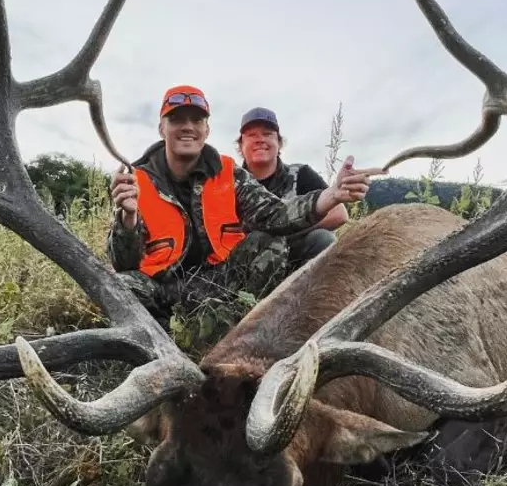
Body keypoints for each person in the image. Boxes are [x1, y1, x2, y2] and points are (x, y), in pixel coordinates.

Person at [107, 84, 370, 324]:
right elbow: (124, 263)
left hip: (223, 283)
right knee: (117, 286)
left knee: (270, 242)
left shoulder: (229, 173)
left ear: (206, 130)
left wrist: (332, 195)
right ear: (161, 128)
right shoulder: (135, 181)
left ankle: (242, 325)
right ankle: (164, 334)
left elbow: (276, 214)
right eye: (176, 119)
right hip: (164, 288)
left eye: (196, 119)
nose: (187, 126)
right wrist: (127, 218)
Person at [236, 106, 346, 268]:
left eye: (267, 134)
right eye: (251, 135)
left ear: (279, 143)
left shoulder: (300, 174)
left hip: (294, 256)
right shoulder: (229, 180)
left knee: (322, 239)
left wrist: (285, 229)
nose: (260, 139)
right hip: (245, 259)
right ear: (240, 146)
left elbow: (339, 214)